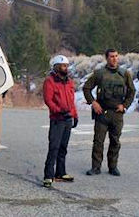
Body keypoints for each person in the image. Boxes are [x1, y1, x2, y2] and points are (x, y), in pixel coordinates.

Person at [83, 49, 135, 177]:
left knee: (115, 141)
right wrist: (93, 103)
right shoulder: (99, 73)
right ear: (107, 58)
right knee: (98, 141)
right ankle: (96, 167)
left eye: (116, 56)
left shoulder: (125, 74)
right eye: (112, 56)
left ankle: (113, 166)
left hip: (117, 114)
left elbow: (132, 92)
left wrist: (125, 106)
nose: (114, 59)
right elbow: (86, 88)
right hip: (102, 113)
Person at [42, 55, 78, 188]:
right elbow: (48, 100)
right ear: (57, 67)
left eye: (67, 66)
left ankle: (60, 173)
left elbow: (71, 99)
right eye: (63, 66)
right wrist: (57, 110)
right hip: (57, 119)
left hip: (68, 118)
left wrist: (75, 115)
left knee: (63, 147)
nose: (66, 68)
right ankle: (48, 175)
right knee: (54, 147)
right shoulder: (50, 81)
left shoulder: (68, 82)